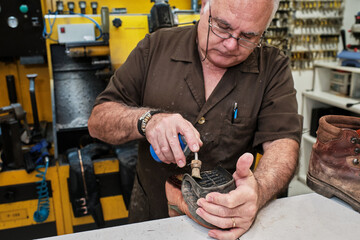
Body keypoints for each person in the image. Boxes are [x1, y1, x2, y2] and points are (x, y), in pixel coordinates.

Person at [88, 0, 302, 239]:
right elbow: (98, 120)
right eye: (222, 26)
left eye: (249, 36)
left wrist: (259, 190)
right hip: (152, 219)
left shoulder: (272, 66)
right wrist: (147, 120)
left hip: (224, 223)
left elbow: (283, 142)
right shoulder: (155, 47)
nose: (231, 44)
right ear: (204, 7)